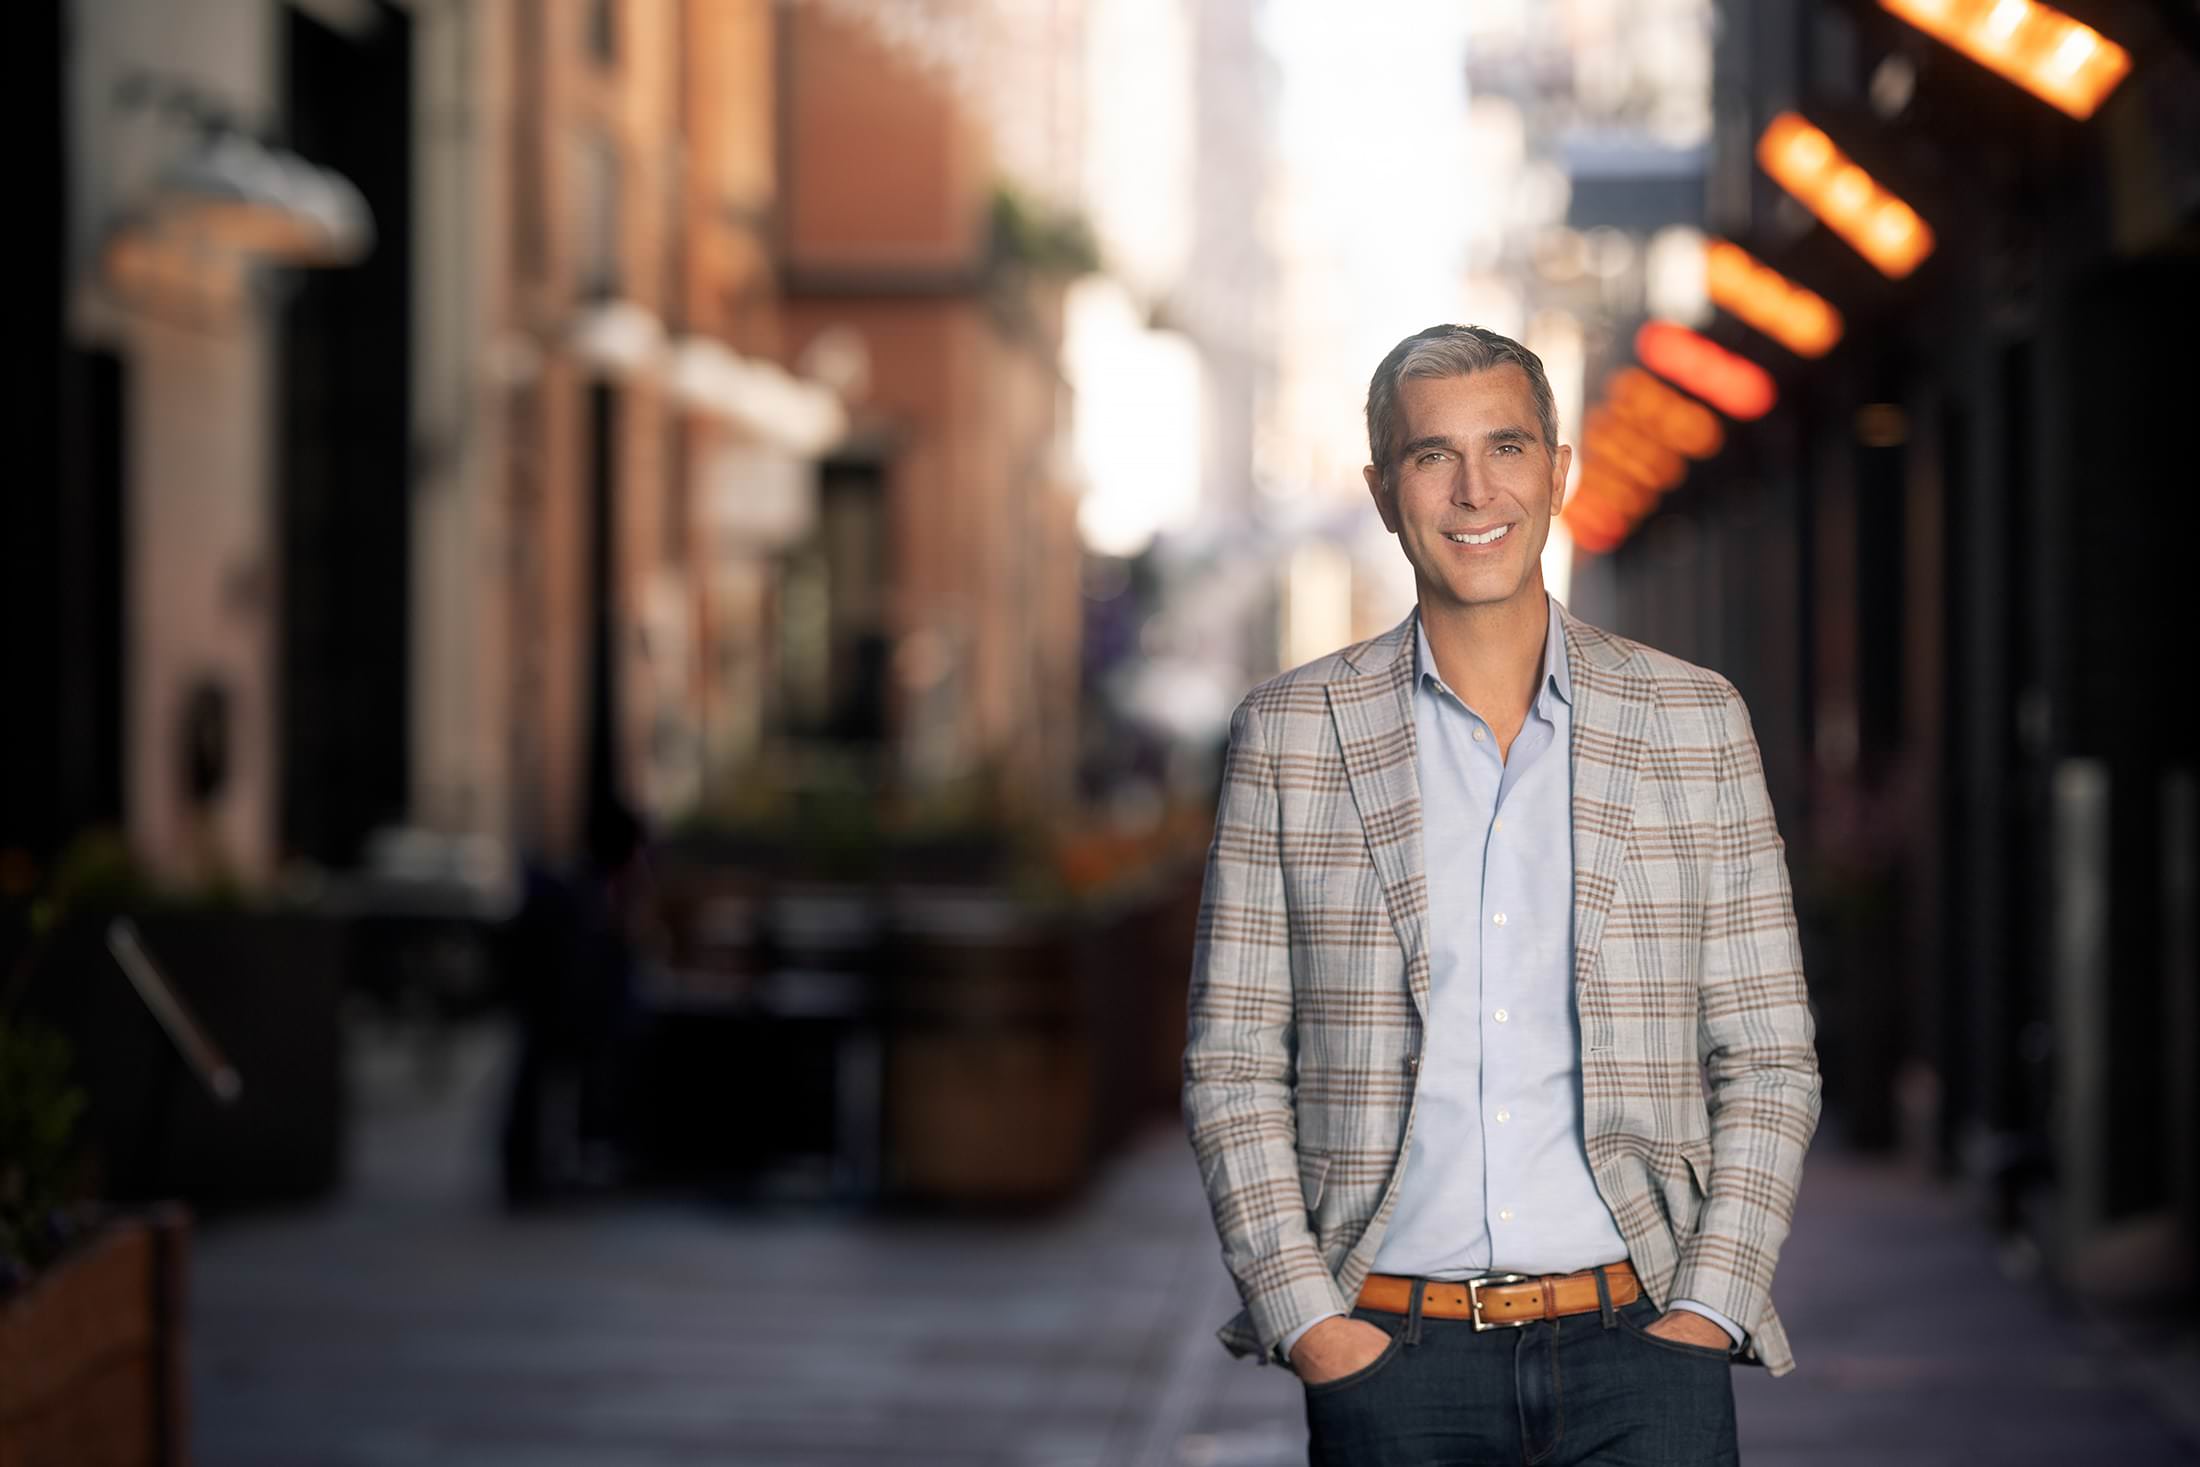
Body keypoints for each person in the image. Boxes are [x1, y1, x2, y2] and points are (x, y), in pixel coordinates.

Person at [1183, 324, 1820, 1465]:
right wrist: (1311, 1323)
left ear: (1558, 470)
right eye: (1433, 457)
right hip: (1389, 1358)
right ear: (1383, 491)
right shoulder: (1289, 737)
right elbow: (1233, 1063)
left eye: (1507, 446)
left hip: (1644, 1352)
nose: (1474, 489)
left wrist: (1708, 1310)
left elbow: (1768, 1053)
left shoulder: (1692, 721)